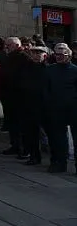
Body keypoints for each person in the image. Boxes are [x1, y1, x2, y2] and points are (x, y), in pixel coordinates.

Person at [44, 43, 77, 173]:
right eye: (57, 54)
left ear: (68, 55)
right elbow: (46, 89)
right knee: (58, 138)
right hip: (56, 109)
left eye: (62, 54)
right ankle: (60, 163)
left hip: (73, 108)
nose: (59, 57)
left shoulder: (75, 70)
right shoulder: (49, 70)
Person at [0, 37, 30, 157]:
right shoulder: (9, 57)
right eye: (6, 45)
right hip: (10, 95)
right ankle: (15, 145)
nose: (6, 47)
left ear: (17, 45)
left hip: (20, 96)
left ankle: (24, 148)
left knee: (21, 124)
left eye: (9, 45)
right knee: (12, 122)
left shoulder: (23, 56)